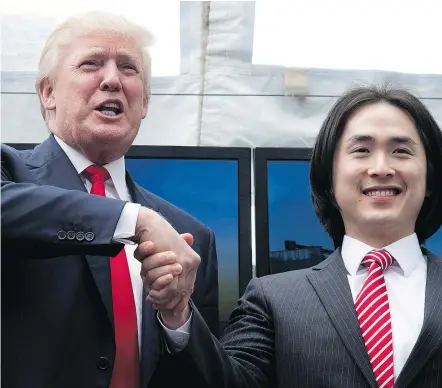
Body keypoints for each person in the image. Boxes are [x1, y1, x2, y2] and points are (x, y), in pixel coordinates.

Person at [143, 85, 442, 388]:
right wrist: (178, 313)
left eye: (401, 151)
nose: (381, 168)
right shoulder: (272, 299)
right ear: (329, 178)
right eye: (361, 151)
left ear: (430, 175)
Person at [1, 11, 219, 388]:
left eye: (129, 69)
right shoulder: (9, 175)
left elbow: (209, 378)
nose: (113, 79)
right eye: (91, 64)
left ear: (145, 103)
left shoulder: (191, 237)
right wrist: (134, 220)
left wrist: (178, 318)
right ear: (48, 93)